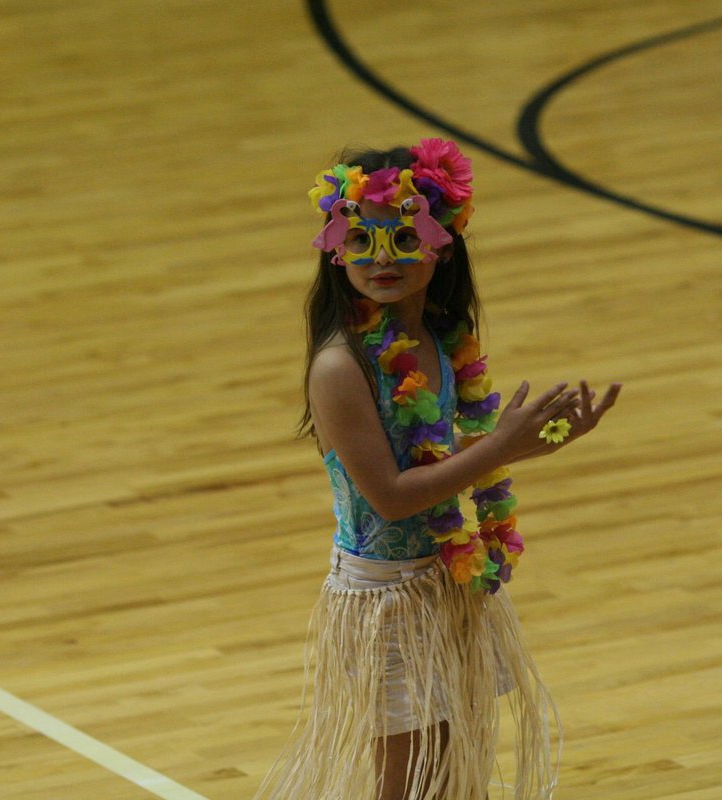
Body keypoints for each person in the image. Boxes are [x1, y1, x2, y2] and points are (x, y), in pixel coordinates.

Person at [254, 138, 622, 800]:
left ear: (442, 242)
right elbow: (392, 499)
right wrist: (500, 447)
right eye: (363, 240)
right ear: (337, 248)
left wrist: (552, 434)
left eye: (403, 238)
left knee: (457, 775)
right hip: (385, 600)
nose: (383, 260)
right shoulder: (343, 367)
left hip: (446, 584)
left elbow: (464, 458)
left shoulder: (439, 339)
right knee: (409, 783)